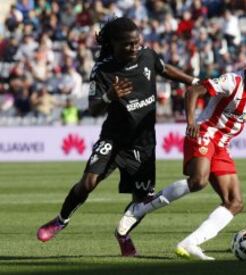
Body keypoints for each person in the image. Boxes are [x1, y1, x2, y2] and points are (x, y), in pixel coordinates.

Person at [117, 43, 246, 260]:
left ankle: (190, 243)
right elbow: (193, 90)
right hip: (204, 133)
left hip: (223, 144)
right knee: (198, 180)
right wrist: (191, 121)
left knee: (235, 202)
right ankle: (140, 208)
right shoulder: (232, 81)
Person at [36, 17, 199, 256]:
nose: (134, 48)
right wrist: (109, 96)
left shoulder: (146, 55)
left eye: (136, 42)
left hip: (143, 143)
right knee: (88, 183)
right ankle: (61, 219)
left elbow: (165, 69)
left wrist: (194, 81)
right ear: (112, 44)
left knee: (142, 201)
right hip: (113, 138)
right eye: (127, 44)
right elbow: (93, 109)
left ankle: (123, 234)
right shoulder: (103, 70)